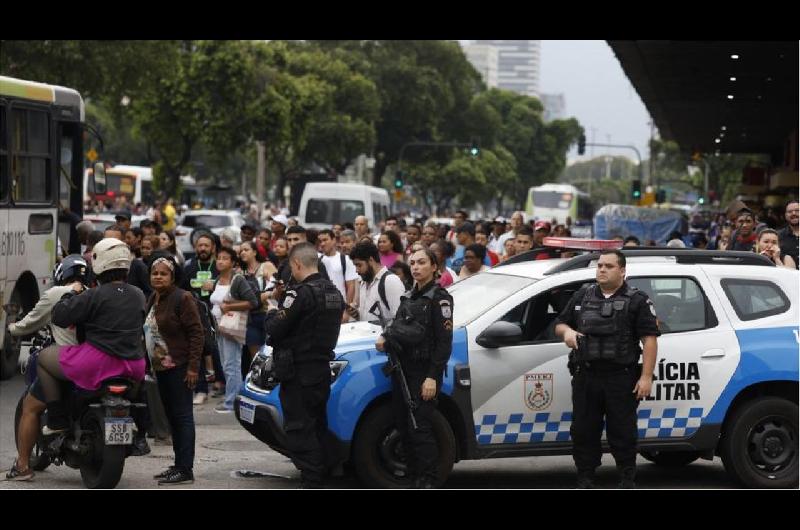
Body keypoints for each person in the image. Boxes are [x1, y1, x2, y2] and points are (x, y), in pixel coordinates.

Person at [555, 250, 659, 489]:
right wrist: (567, 333)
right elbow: (560, 323)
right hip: (586, 375)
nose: (602, 269)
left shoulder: (637, 300)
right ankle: (586, 476)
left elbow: (650, 340)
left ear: (622, 271)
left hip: (620, 378)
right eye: (600, 265)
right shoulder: (583, 295)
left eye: (609, 266)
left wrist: (646, 377)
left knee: (622, 431)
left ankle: (626, 478)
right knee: (583, 430)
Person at [38, 239, 148, 436]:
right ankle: (139, 431)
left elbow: (61, 317)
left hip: (98, 362)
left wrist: (70, 295)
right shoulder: (138, 294)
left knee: (43, 358)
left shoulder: (93, 295)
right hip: (134, 364)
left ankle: (57, 419)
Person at [264, 242, 345, 488]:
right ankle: (326, 473)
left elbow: (274, 329)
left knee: (299, 430)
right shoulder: (334, 292)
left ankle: (312, 480)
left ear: (297, 264)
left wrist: (271, 308)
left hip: (299, 372)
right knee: (317, 425)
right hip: (320, 370)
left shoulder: (299, 294)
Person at [375, 248, 454, 488]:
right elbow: (397, 327)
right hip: (402, 370)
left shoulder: (440, 298)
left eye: (421, 262)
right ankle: (413, 476)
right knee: (403, 425)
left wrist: (432, 377)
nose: (416, 267)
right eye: (413, 263)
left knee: (420, 427)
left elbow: (443, 343)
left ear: (434, 266)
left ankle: (428, 480)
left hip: (423, 372)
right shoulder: (409, 297)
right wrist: (386, 338)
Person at [4, 255, 88, 481]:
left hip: (66, 362)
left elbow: (30, 322)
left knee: (30, 407)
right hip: (93, 363)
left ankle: (22, 467)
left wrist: (11, 329)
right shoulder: (93, 293)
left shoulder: (55, 294)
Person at [145, 251, 203, 485]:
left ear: (173, 276)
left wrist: (193, 368)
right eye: (155, 273)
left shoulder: (183, 298)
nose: (158, 277)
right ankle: (178, 464)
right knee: (172, 418)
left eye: (164, 274)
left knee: (182, 418)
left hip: (180, 367)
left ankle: (185, 469)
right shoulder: (153, 297)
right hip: (161, 369)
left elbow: (196, 334)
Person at [208, 247, 258, 413]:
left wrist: (229, 306)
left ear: (233, 263)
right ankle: (233, 398)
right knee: (225, 364)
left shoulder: (238, 280)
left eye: (225, 258)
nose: (220, 261)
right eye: (219, 258)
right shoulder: (217, 280)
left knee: (232, 365)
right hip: (219, 327)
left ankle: (232, 403)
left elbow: (252, 302)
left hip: (232, 327)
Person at [181, 231, 221, 404]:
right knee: (198, 350)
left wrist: (215, 287)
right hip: (196, 314)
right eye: (200, 245)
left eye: (206, 245)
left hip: (218, 314)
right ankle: (201, 389)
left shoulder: (218, 266)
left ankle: (222, 383)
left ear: (213, 248)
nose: (203, 248)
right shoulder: (189, 267)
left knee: (219, 351)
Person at [239, 240, 277, 373]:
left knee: (271, 352)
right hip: (250, 317)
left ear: (255, 252)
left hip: (267, 314)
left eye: (246, 249)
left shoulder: (266, 265)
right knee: (255, 356)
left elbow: (277, 285)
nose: (242, 252)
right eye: (241, 251)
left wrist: (265, 295)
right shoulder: (239, 271)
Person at [348, 241, 405, 324]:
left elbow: (400, 319)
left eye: (359, 265)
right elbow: (367, 316)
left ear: (371, 260)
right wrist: (356, 314)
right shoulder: (364, 282)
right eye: (355, 266)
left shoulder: (391, 281)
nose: (356, 270)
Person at [318, 229, 359, 323]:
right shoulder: (318, 260)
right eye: (320, 241)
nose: (322, 243)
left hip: (341, 307)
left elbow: (351, 286)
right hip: (323, 308)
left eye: (325, 240)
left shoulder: (345, 259)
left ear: (333, 240)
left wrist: (346, 311)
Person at [105, 225, 152, 298]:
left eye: (114, 241)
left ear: (124, 242)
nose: (109, 245)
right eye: (106, 241)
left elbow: (150, 293)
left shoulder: (137, 266)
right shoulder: (97, 265)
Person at [778, 200, 799, 269]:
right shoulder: (778, 236)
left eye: (797, 210)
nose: (793, 213)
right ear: (785, 215)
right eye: (790, 212)